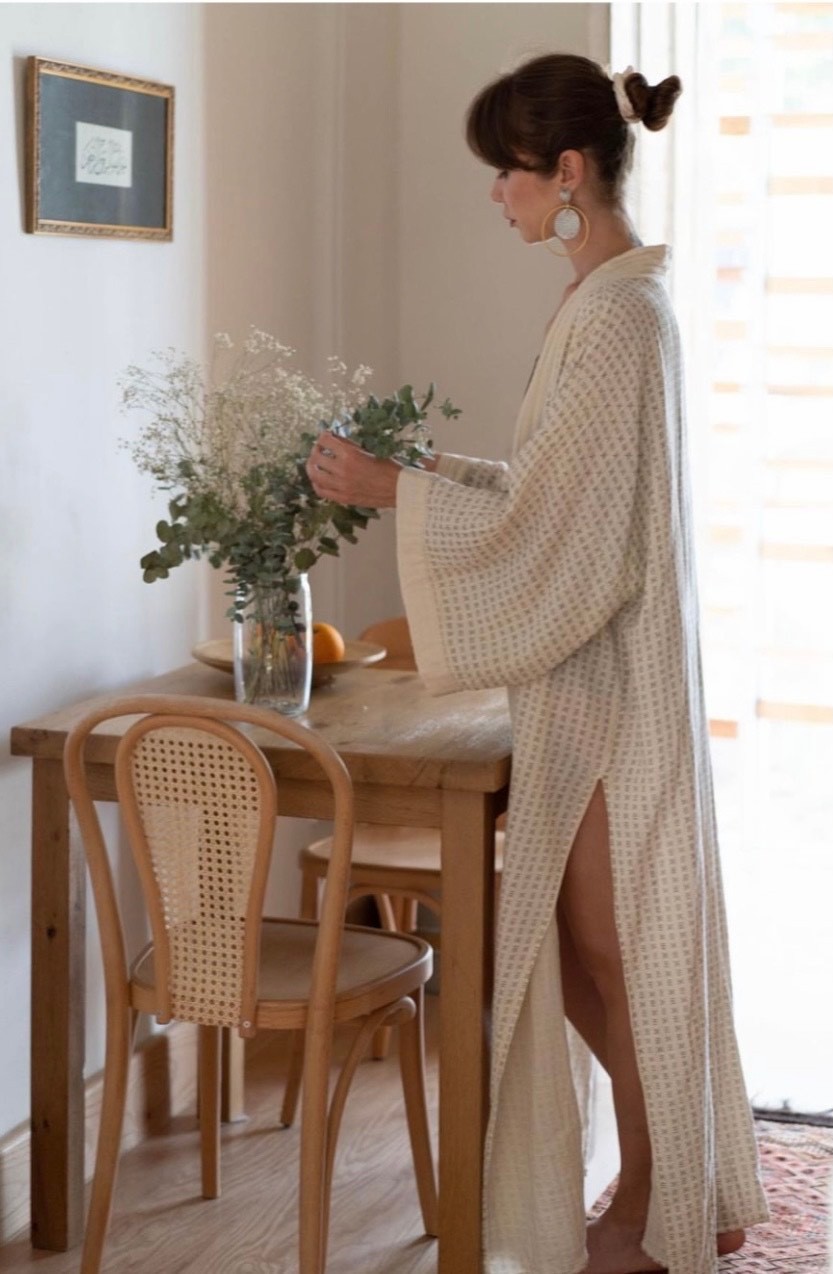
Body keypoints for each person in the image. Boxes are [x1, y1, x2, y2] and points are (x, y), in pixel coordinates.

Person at [307, 53, 769, 1274]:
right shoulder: (602, 302)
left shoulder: (617, 315)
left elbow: (571, 534)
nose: (494, 197)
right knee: (575, 952)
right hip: (592, 687)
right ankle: (676, 1176)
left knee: (614, 956)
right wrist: (428, 479)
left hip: (612, 691)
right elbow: (560, 497)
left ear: (565, 172)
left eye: (505, 175)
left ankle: (657, 1199)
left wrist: (394, 489)